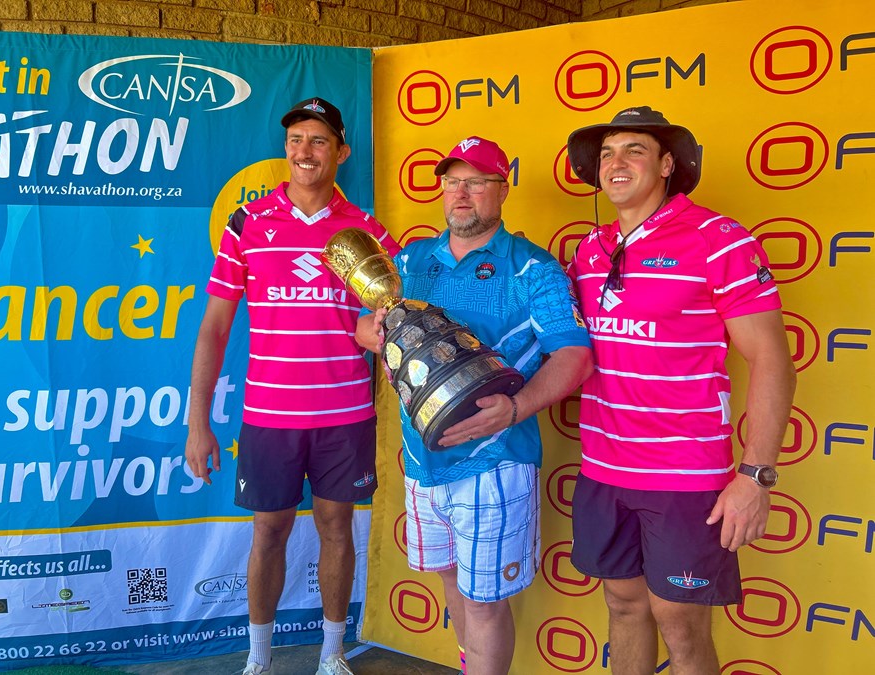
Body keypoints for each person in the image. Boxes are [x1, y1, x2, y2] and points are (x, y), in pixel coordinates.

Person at [565, 106, 797, 674]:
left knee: (680, 623)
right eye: (607, 154)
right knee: (623, 606)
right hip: (603, 468)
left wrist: (755, 476)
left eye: (635, 150)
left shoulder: (718, 239)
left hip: (684, 472)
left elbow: (772, 360)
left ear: (668, 165)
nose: (616, 163)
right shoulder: (589, 249)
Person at [356, 136, 594, 675]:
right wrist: (378, 335)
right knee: (450, 580)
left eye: (477, 182)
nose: (461, 194)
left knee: (484, 602)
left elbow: (575, 357)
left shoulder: (533, 268)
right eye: (452, 182)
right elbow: (363, 327)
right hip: (422, 460)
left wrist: (516, 408)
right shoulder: (410, 260)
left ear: (502, 190)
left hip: (495, 459)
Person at [185, 97, 398, 675]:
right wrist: (198, 423)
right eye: (296, 140)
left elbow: (387, 319)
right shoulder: (248, 224)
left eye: (319, 140)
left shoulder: (368, 230)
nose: (306, 151)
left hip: (345, 414)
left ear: (341, 152)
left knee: (337, 528)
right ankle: (259, 659)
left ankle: (332, 654)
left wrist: (379, 332)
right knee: (269, 531)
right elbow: (214, 329)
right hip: (270, 416)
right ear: (286, 148)